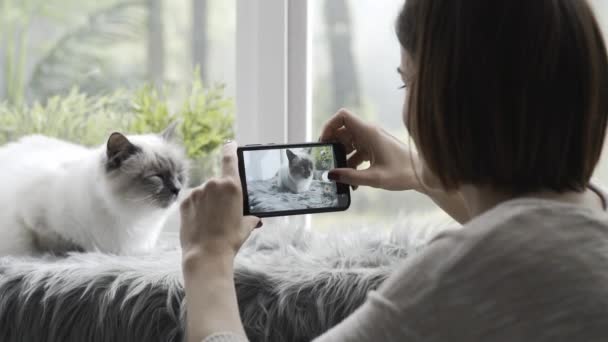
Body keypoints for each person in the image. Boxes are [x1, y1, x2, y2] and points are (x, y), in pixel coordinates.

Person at [179, 0, 608, 341]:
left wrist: (208, 257)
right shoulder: (595, 216)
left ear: (446, 102)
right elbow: (530, 227)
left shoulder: (454, 278)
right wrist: (418, 169)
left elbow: (504, 253)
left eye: (408, 82)